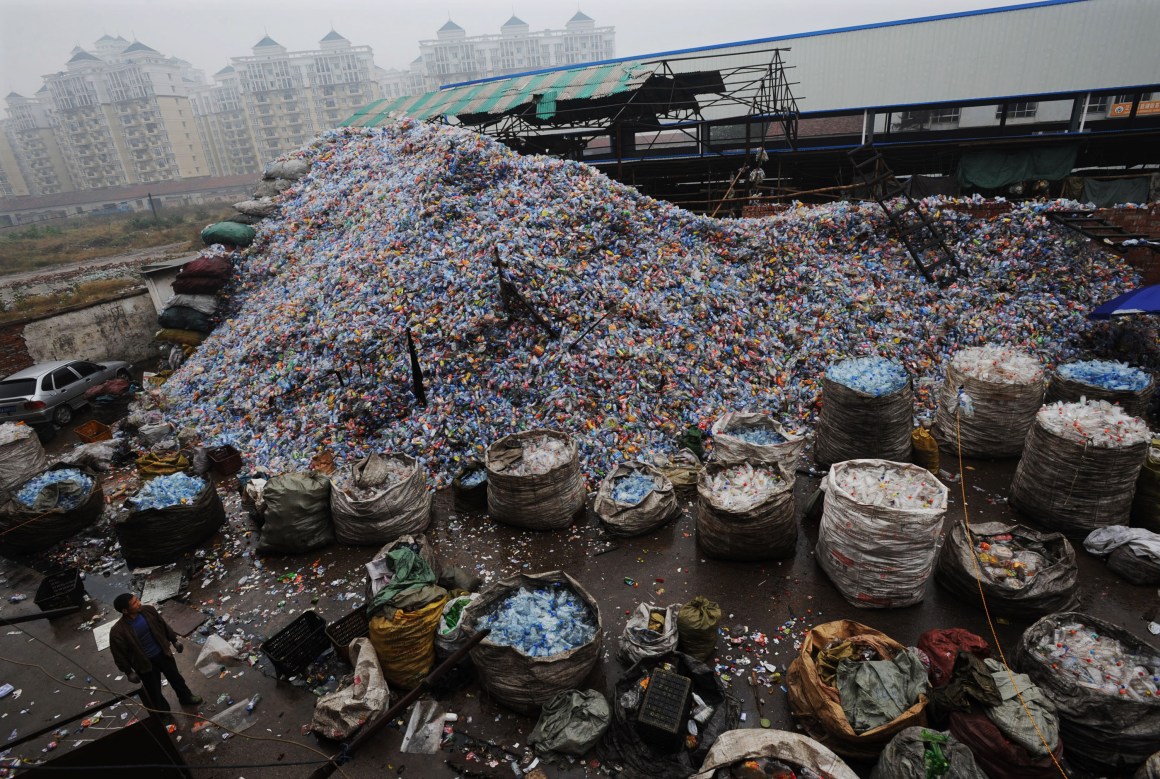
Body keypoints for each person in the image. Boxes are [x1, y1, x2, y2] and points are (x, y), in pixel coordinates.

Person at [110, 593, 202, 714]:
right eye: (134, 603)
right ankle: (163, 712)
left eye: (137, 599)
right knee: (154, 691)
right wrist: (128, 672)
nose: (139, 603)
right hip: (144, 663)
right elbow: (118, 653)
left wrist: (174, 640)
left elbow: (163, 625)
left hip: (163, 653)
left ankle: (186, 697)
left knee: (176, 679)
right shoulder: (118, 631)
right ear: (125, 611)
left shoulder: (148, 610)